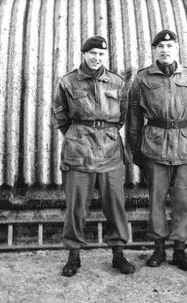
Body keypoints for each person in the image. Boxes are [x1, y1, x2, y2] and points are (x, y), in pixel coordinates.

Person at [53, 36, 135, 277]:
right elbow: (60, 115)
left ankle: (118, 253)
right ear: (84, 54)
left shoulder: (117, 82)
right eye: (92, 53)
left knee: (115, 204)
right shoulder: (68, 82)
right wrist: (78, 135)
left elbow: (121, 116)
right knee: (76, 206)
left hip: (110, 151)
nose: (97, 57)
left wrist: (104, 133)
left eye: (101, 53)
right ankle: (73, 255)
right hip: (78, 151)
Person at [126, 29, 187, 272]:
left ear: (177, 48)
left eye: (169, 47)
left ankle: (180, 249)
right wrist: (136, 151)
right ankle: (158, 247)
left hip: (184, 148)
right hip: (155, 146)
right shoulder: (142, 79)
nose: (165, 50)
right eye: (160, 47)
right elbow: (134, 118)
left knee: (182, 202)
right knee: (156, 201)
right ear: (154, 50)